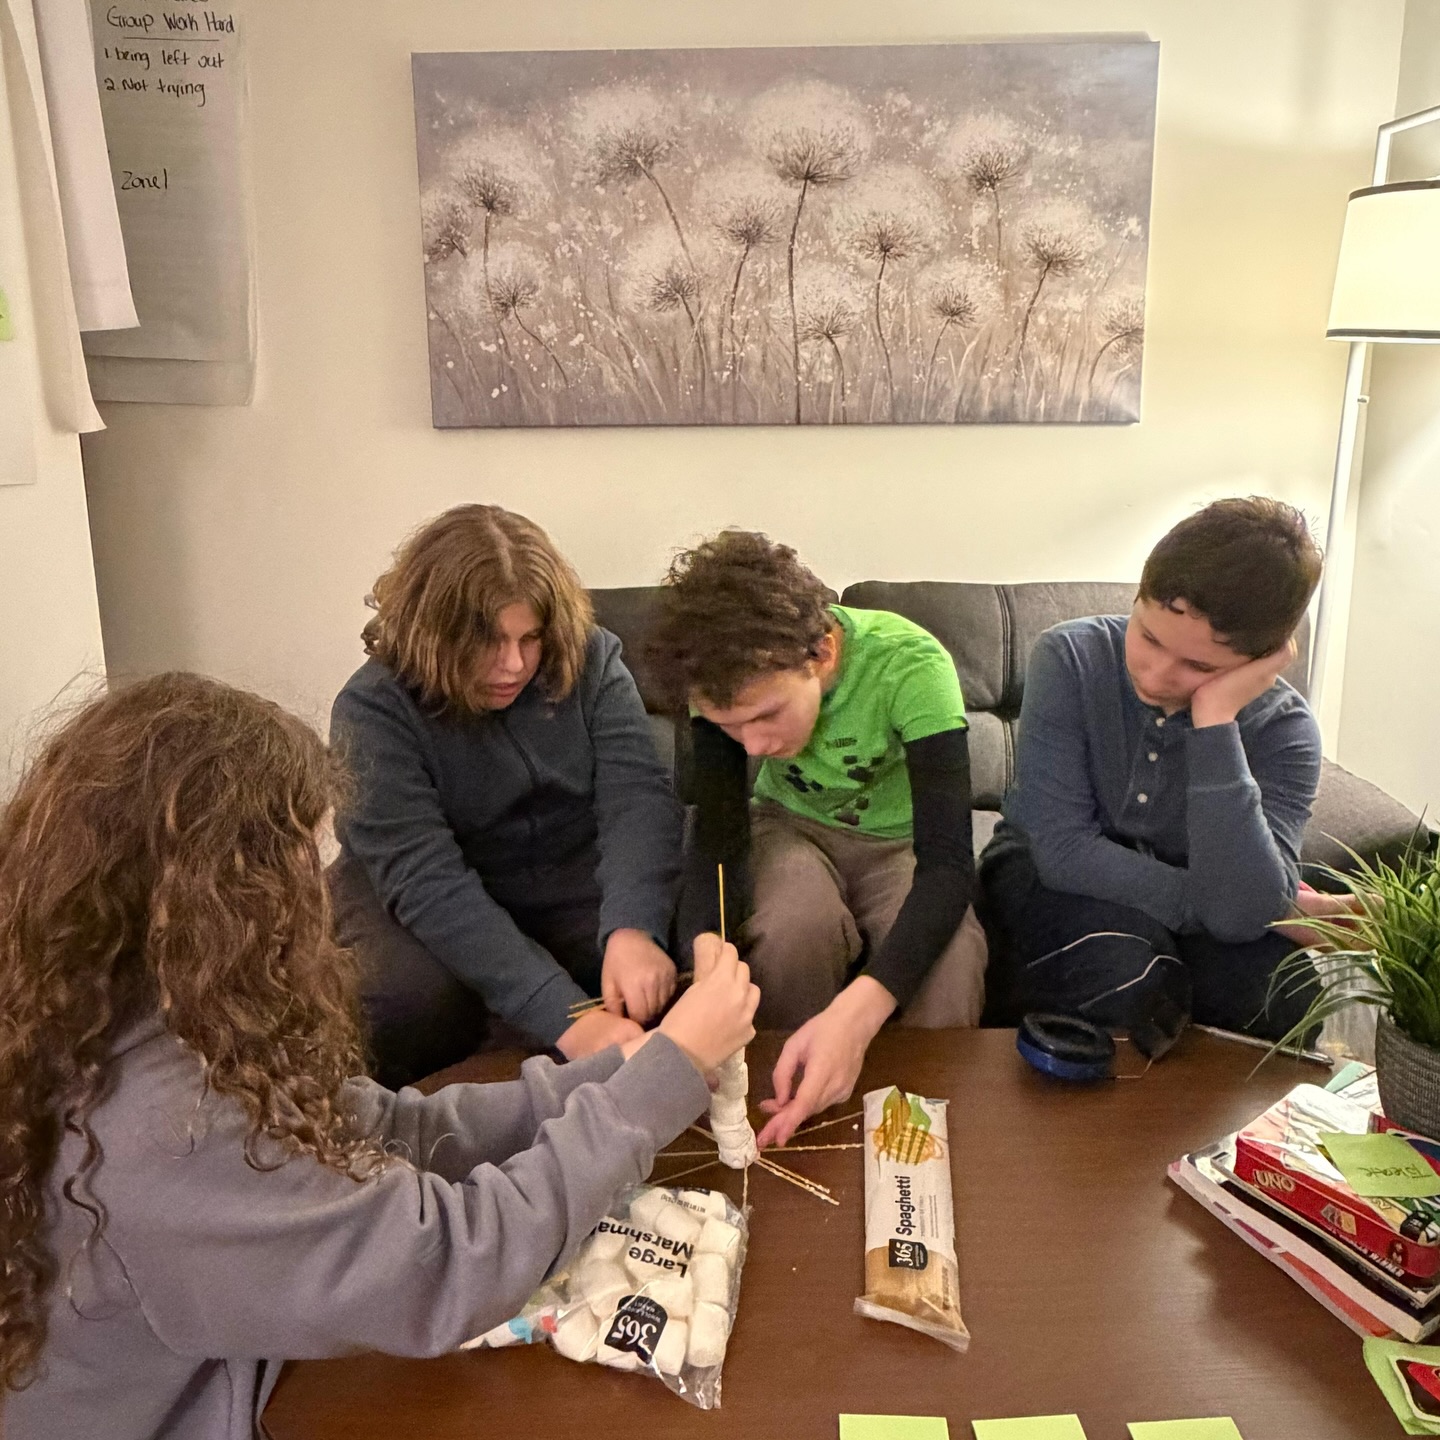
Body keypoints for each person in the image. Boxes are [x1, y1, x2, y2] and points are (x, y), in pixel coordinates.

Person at [0, 673, 758, 1440]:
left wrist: (626, 1073)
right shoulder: (170, 1124)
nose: (320, 891)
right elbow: (446, 1264)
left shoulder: (127, 1000)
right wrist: (649, 1090)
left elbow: (382, 1129)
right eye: (303, 859)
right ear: (225, 896)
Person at [650, 530, 985, 1149]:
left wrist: (856, 1017)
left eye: (767, 716)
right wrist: (706, 948)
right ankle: (785, 1100)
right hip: (790, 827)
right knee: (790, 927)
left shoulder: (912, 665)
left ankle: (921, 1124)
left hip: (903, 844)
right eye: (732, 728)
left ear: (823, 654)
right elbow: (718, 836)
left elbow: (947, 867)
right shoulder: (714, 680)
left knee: (952, 959)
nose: (754, 745)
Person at [330, 505, 685, 1086]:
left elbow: (637, 799)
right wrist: (569, 1019)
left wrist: (633, 927)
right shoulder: (370, 709)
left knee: (677, 953)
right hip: (424, 885)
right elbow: (427, 880)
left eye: (530, 638)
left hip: (567, 867)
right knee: (409, 996)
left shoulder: (594, 658)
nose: (513, 665)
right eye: (489, 642)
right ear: (433, 634)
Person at [978, 496, 1345, 1051]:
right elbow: (1064, 850)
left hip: (1185, 882)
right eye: (1148, 636)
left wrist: (1215, 721)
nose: (1154, 675)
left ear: (1261, 660)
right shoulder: (1069, 656)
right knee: (1129, 975)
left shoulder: (1286, 731)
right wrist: (1266, 911)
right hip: (1042, 873)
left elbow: (1241, 909)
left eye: (1199, 666)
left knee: (1283, 998)